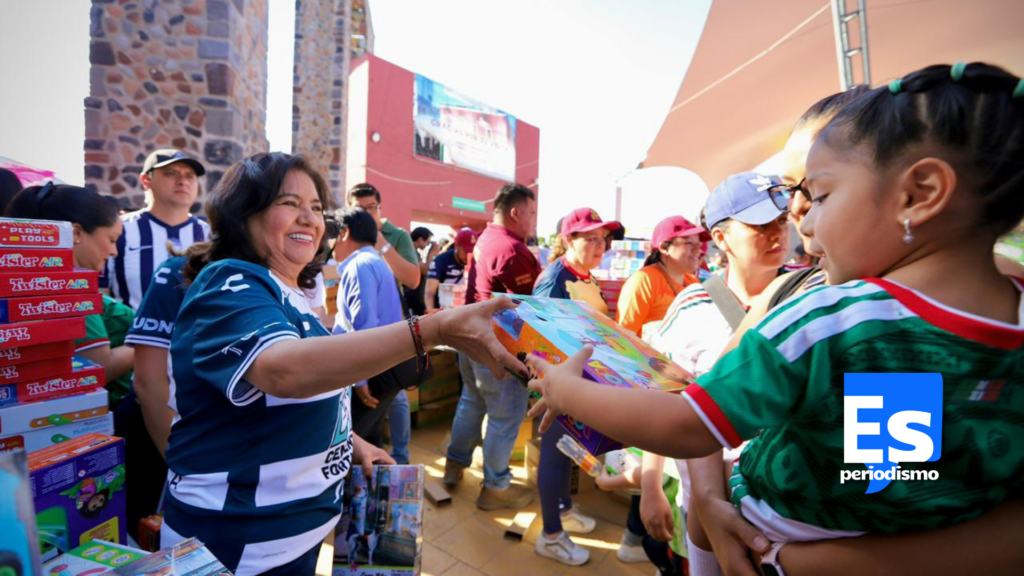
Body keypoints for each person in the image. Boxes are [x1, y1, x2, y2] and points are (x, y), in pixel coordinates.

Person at [524, 62, 1024, 576]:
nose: (803, 221)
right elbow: (890, 468)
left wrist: (567, 392)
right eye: (792, 197)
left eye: (819, 194)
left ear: (920, 193)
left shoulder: (829, 319)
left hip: (766, 538)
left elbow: (687, 422)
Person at [160, 152, 526, 575]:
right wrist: (432, 330)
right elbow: (283, 372)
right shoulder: (229, 281)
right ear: (244, 215)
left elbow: (285, 404)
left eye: (316, 207)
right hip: (239, 545)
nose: (309, 219)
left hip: (293, 538)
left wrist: (350, 444)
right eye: (289, 203)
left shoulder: (290, 294)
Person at [532, 207, 620, 566]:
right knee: (554, 454)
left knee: (568, 450)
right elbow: (537, 337)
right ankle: (551, 536)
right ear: (568, 240)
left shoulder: (586, 276)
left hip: (585, 383)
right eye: (592, 239)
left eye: (604, 239)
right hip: (561, 385)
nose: (601, 246)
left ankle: (563, 510)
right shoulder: (555, 279)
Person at [443, 183, 539, 512]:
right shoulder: (511, 249)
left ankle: (454, 466)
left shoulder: (486, 238)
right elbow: (534, 306)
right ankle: (495, 487)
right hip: (496, 346)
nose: (534, 220)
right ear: (516, 213)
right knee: (504, 416)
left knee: (471, 403)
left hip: (470, 339)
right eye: (532, 213)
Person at [646, 173, 790, 375]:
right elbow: (665, 384)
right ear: (721, 238)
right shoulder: (692, 307)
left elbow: (841, 373)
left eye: (782, 220)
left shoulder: (816, 288)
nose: (778, 233)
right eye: (761, 224)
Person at [5, 183, 134, 404]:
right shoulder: (68, 287)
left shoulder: (26, 279)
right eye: (112, 240)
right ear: (76, 233)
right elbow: (97, 366)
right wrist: (152, 340)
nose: (114, 251)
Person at [347, 183, 419, 464]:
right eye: (360, 209)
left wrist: (380, 243)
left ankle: (401, 456)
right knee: (368, 406)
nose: (367, 214)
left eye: (371, 208)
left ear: (380, 207)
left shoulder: (396, 235)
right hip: (355, 332)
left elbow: (412, 279)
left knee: (395, 396)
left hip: (389, 329)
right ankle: (374, 456)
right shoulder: (345, 233)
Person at [332, 206, 407, 448]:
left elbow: (365, 327)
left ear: (344, 233)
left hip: (368, 371)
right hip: (380, 366)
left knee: (349, 445)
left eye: (331, 234)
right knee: (370, 440)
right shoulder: (374, 261)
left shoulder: (360, 265)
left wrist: (360, 382)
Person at [102, 149, 209, 310]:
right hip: (132, 325)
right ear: (146, 180)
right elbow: (100, 294)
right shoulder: (119, 229)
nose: (182, 181)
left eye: (190, 176)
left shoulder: (209, 234)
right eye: (170, 173)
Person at [617, 216, 706, 339]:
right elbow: (624, 335)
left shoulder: (693, 282)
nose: (698, 250)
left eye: (698, 244)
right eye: (689, 243)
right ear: (664, 247)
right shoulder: (644, 280)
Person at [425, 228, 476, 312]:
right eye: (466, 251)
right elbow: (430, 291)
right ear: (456, 246)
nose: (469, 255)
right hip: (443, 311)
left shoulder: (476, 260)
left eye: (472, 251)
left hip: (468, 310)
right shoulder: (440, 261)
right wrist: (430, 308)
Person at [408, 226, 441, 316]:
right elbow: (425, 270)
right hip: (411, 296)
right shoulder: (410, 250)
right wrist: (431, 253)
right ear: (420, 239)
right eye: (428, 242)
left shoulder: (412, 250)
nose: (427, 245)